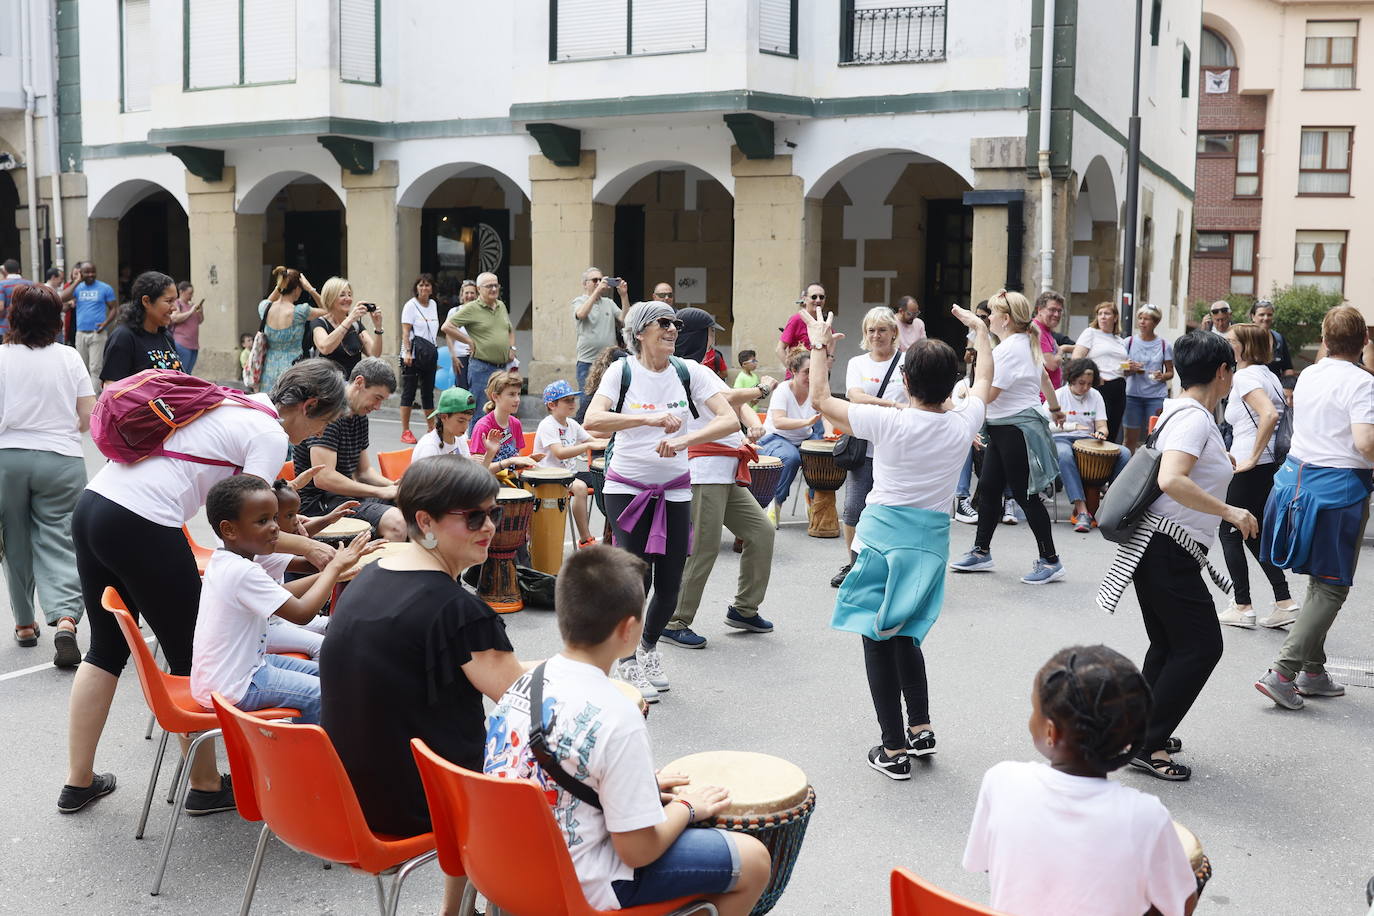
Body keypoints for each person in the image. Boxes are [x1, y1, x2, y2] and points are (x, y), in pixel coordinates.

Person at [59, 358, 349, 814]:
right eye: (323, 422)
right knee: (191, 654)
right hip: (144, 522)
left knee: (105, 650)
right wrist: (313, 551)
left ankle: (78, 781)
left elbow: (249, 523)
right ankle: (206, 785)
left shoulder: (238, 403)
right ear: (309, 404)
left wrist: (297, 540)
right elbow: (244, 529)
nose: (316, 435)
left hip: (96, 505)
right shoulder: (270, 433)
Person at [484, 545, 771, 915]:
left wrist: (640, 786)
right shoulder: (618, 716)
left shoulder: (524, 682)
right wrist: (687, 806)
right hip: (575, 882)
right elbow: (637, 851)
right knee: (753, 859)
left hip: (505, 866)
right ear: (629, 628)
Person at [322, 455, 525, 914]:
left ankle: (458, 909)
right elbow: (528, 699)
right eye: (473, 516)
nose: (489, 525)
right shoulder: (458, 612)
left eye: (492, 512)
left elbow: (483, 667)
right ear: (424, 520)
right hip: (421, 802)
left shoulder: (370, 576)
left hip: (347, 794)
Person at [805, 303, 990, 778]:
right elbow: (985, 381)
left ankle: (892, 749)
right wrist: (982, 333)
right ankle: (921, 727)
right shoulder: (963, 421)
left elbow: (822, 400)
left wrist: (820, 344)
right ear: (953, 384)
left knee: (875, 636)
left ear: (905, 381)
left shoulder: (890, 422)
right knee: (905, 632)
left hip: (883, 537)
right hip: (931, 541)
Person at [1096, 331, 1255, 781]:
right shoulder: (1194, 419)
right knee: (1201, 646)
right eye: (1232, 370)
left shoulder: (1182, 412)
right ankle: (1146, 743)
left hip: (1161, 548)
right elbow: (1172, 479)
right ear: (1222, 372)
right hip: (1165, 548)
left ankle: (1142, 730)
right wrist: (1230, 511)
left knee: (1171, 644)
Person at [963, 646, 1198, 916]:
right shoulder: (1147, 817)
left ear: (1051, 731)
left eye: (1034, 710)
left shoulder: (1001, 781)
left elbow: (988, 863)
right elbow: (1179, 907)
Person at [583, 301, 740, 700]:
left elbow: (729, 420)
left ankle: (649, 648)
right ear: (640, 332)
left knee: (671, 581)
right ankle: (628, 659)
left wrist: (686, 439)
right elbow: (593, 420)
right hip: (626, 487)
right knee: (637, 578)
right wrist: (648, 420)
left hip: (675, 487)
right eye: (663, 323)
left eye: (675, 323)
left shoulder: (690, 372)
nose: (672, 329)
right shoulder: (623, 371)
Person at [1254, 306, 1374, 711]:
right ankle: (1283, 672)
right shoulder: (1361, 383)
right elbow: (1365, 443)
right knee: (1332, 585)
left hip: (1295, 482)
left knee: (1319, 581)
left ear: (1324, 339)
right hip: (1337, 491)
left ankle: (1313, 671)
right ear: (1363, 343)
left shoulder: (1309, 374)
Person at [191, 476, 369, 725]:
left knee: (334, 677)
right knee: (322, 693)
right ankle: (304, 757)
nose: (275, 527)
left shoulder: (228, 561)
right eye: (263, 521)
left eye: (274, 517)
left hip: (238, 671)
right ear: (229, 530)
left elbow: (286, 591)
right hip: (234, 687)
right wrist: (333, 570)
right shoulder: (243, 571)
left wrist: (337, 568)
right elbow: (302, 613)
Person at [662, 308, 778, 649]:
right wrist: (761, 389)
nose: (714, 339)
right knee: (703, 548)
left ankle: (744, 608)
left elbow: (726, 399)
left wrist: (747, 420)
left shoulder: (698, 369)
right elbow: (727, 398)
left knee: (761, 531)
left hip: (723, 470)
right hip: (704, 471)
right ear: (700, 336)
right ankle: (674, 620)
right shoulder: (686, 367)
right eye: (711, 333)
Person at [0, 284, 94, 667]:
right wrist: (60, 430)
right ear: (56, 319)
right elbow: (88, 417)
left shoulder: (1, 357)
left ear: (13, 314)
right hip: (62, 459)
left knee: (14, 539)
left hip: (7, 458)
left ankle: (25, 624)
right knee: (60, 540)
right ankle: (66, 619)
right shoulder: (69, 358)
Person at [950, 290, 1066, 585]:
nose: (986, 318)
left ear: (1005, 319)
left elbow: (987, 394)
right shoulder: (1019, 343)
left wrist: (962, 394)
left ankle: (1050, 560)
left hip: (1016, 430)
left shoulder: (1010, 348)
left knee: (1026, 496)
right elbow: (1040, 378)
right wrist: (1054, 408)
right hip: (1007, 428)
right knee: (989, 489)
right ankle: (981, 551)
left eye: (990, 314)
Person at [1216, 323, 1296, 629]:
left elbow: (1271, 415)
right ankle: (1284, 600)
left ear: (1244, 347)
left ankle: (1242, 605)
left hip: (1252, 464)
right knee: (1253, 533)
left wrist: (1249, 457)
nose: (1226, 344)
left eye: (1231, 341)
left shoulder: (1247, 376)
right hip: (1266, 464)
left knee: (1230, 530)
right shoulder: (1268, 375)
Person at [831, 307, 909, 589]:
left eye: (882, 330)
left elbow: (921, 399)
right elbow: (855, 397)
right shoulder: (857, 363)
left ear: (894, 333)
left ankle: (891, 566)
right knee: (853, 510)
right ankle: (854, 565)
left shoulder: (907, 362)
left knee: (894, 512)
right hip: (863, 449)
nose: (876, 335)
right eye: (871, 330)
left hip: (897, 451)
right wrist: (894, 405)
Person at [293, 357, 407, 541]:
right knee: (396, 523)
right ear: (359, 383)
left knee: (412, 504)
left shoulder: (360, 416)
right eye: (377, 398)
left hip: (345, 498)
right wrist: (379, 491)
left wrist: (394, 487)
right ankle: (378, 569)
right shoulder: (330, 413)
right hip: (319, 504)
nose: (378, 407)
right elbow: (324, 478)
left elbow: (364, 472)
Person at [1052, 359, 1129, 533]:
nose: (1086, 388)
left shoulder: (1095, 395)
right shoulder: (1058, 395)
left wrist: (1102, 433)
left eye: (1089, 383)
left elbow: (1102, 426)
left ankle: (1111, 505)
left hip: (1089, 440)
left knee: (1124, 453)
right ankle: (1081, 511)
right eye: (1081, 383)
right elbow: (1045, 425)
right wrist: (1071, 427)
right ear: (1071, 379)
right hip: (1062, 438)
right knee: (1064, 455)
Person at [755, 348, 825, 527]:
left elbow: (827, 412)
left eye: (813, 371)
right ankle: (776, 502)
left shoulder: (815, 391)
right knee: (791, 457)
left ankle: (813, 499)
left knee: (821, 457)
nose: (811, 376)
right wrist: (806, 422)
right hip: (775, 438)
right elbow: (779, 422)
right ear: (794, 371)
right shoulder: (783, 391)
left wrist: (830, 432)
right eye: (806, 372)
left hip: (802, 439)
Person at [534, 379, 608, 548]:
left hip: (569, 473)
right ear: (552, 405)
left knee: (607, 479)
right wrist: (588, 445)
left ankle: (612, 532)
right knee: (580, 487)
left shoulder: (572, 424)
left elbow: (593, 440)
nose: (573, 403)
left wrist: (616, 439)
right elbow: (559, 452)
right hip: (550, 474)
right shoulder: (548, 424)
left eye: (573, 399)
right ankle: (585, 538)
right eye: (567, 400)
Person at [443, 271, 514, 421]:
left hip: (501, 368)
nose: (494, 289)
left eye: (496, 285)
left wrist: (511, 348)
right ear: (479, 289)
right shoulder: (472, 308)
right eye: (489, 286)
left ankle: (494, 442)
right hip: (482, 367)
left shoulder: (500, 305)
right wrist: (468, 341)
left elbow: (509, 329)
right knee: (480, 411)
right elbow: (447, 327)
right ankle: (475, 444)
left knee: (499, 410)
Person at [99, 270, 183, 385]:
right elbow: (111, 388)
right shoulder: (123, 337)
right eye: (169, 301)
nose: (174, 308)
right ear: (146, 301)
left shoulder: (166, 337)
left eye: (175, 301)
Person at [256, 267, 326, 396]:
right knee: (290, 407)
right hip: (292, 369)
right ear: (298, 289)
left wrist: (280, 286)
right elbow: (328, 310)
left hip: (268, 369)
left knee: (269, 408)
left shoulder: (265, 308)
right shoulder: (300, 312)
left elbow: (269, 300)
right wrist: (310, 289)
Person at [1071, 301, 1129, 442]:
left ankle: (1109, 463)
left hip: (1119, 386)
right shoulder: (1090, 333)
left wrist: (1129, 367)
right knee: (1099, 430)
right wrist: (1095, 378)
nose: (1102, 317)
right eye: (1100, 313)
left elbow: (1119, 366)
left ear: (1115, 318)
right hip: (1100, 385)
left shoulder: (1120, 340)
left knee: (1113, 431)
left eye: (1107, 313)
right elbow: (1076, 359)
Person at [1122, 304, 1174, 453]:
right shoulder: (1128, 342)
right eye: (1140, 318)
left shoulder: (1164, 345)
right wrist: (1130, 369)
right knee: (1129, 439)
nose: (1142, 322)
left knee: (1155, 438)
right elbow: (1121, 371)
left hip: (1155, 397)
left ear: (1155, 323)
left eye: (1147, 319)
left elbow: (1170, 372)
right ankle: (1127, 472)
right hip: (1132, 396)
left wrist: (1162, 376)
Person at [572, 267, 628, 404]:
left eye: (601, 279)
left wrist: (624, 295)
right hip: (587, 362)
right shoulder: (579, 301)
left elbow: (624, 319)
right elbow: (581, 314)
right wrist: (597, 291)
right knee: (587, 400)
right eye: (595, 280)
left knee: (610, 400)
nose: (598, 282)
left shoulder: (608, 303)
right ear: (585, 284)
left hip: (608, 360)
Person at [467, 371, 540, 475]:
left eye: (518, 394)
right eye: (511, 394)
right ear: (495, 397)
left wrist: (525, 461)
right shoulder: (483, 427)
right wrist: (508, 462)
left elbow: (515, 462)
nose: (517, 399)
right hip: (489, 484)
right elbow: (478, 471)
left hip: (512, 480)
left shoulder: (516, 423)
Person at [311, 276, 383, 380]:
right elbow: (325, 348)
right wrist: (349, 319)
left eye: (349, 294)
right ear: (330, 297)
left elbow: (374, 355)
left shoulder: (356, 325)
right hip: (327, 386)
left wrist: (378, 327)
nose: (348, 299)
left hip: (352, 385)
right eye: (342, 295)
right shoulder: (319, 323)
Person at [399, 273, 442, 445]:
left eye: (427, 285)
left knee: (428, 393)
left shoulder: (433, 304)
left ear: (432, 288)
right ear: (416, 288)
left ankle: (431, 428)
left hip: (429, 354)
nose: (424, 288)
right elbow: (405, 331)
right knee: (409, 392)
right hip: (413, 355)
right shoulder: (410, 305)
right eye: (421, 285)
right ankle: (405, 431)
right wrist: (408, 352)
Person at [413, 387, 499, 467]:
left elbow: (475, 477)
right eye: (461, 421)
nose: (465, 426)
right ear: (444, 417)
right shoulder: (429, 447)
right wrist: (464, 463)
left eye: (468, 421)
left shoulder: (460, 438)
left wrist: (490, 454)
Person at [61, 262, 117, 384]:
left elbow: (114, 308)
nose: (91, 274)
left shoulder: (105, 288)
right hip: (80, 333)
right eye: (87, 272)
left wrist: (105, 323)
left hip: (97, 333)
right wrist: (76, 281)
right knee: (81, 368)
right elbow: (62, 298)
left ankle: (94, 400)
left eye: (93, 271)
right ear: (81, 273)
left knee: (96, 369)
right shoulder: (77, 288)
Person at [776, 283, 826, 364]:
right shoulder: (796, 319)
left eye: (821, 297)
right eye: (814, 297)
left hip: (818, 373)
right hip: (798, 374)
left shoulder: (824, 321)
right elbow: (779, 349)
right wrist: (792, 370)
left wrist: (830, 359)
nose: (818, 300)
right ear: (804, 299)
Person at [1249, 299, 1295, 384]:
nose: (1266, 318)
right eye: (1261, 315)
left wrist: (1288, 386)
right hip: (1251, 388)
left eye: (1269, 315)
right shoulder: (1245, 338)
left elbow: (1288, 368)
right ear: (1253, 317)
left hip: (1275, 390)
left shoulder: (1279, 339)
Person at [444, 278, 477, 392]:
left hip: (477, 357)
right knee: (462, 391)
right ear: (462, 295)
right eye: (466, 293)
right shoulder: (454, 311)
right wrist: (453, 356)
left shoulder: (480, 312)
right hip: (460, 357)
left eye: (472, 293)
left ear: (477, 295)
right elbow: (449, 336)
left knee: (476, 390)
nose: (469, 295)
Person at [1031, 291, 1067, 388]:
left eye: (1059, 311)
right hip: (1042, 398)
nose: (1056, 314)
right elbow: (1051, 364)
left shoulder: (1045, 330)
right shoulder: (1037, 331)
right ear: (1039, 310)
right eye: (1052, 310)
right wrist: (1060, 351)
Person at [168, 281, 204, 374]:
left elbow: (200, 321)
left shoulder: (191, 305)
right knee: (182, 372)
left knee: (189, 372)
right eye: (189, 293)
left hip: (194, 344)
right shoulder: (177, 304)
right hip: (182, 343)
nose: (191, 296)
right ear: (181, 292)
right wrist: (191, 311)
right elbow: (175, 318)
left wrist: (200, 312)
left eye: (192, 293)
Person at [0, 257, 29, 338]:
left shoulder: (2, 285)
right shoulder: (30, 284)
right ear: (19, 270)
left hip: (5, 328)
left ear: (5, 271)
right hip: (25, 327)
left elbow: (0, 308)